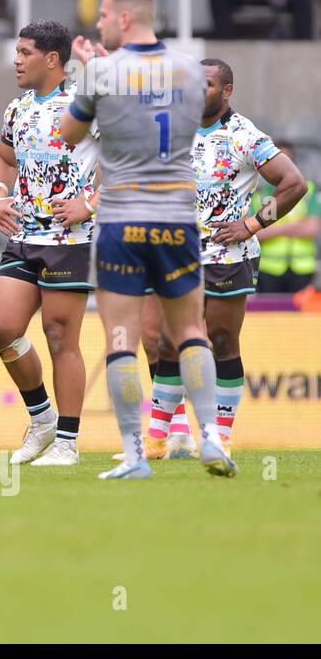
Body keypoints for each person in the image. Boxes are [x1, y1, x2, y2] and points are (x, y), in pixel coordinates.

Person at [59, 0, 236, 480]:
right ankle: (213, 439)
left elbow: (68, 135)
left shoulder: (103, 71)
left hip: (121, 218)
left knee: (121, 337)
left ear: (125, 18)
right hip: (178, 217)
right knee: (190, 330)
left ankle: (136, 455)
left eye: (103, 16)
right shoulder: (187, 69)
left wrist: (88, 72)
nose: (97, 24)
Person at [120, 59, 307, 462]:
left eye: (204, 84)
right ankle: (156, 440)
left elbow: (295, 183)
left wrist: (254, 223)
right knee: (168, 343)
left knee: (222, 342)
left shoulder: (244, 136)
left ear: (226, 92)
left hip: (227, 255)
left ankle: (220, 438)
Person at [0, 20, 98, 467]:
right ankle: (43, 417)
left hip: (71, 239)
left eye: (25, 52)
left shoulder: (85, 106)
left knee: (59, 335)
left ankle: (68, 442)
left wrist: (90, 203)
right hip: (25, 234)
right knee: (1, 328)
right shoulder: (17, 108)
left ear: (52, 60)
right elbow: (3, 158)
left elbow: (124, 157)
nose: (16, 60)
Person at [253, 142, 321, 292]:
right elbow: (253, 233)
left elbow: (311, 228)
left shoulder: (309, 190)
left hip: (302, 269)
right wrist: (296, 227)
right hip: (269, 269)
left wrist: (271, 227)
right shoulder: (259, 194)